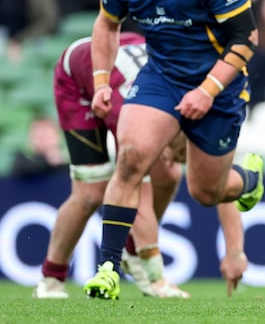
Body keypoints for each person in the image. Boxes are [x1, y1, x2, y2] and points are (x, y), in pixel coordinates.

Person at [83, 0, 263, 300]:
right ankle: (108, 268)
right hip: (161, 77)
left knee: (206, 193)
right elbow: (106, 24)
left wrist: (207, 90)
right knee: (129, 158)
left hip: (219, 87)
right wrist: (100, 82)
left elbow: (247, 37)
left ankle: (249, 179)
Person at [34, 34, 247, 299]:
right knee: (91, 193)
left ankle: (133, 250)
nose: (177, 160)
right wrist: (157, 277)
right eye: (178, 154)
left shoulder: (201, 106)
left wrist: (235, 250)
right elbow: (136, 190)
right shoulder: (139, 119)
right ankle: (51, 278)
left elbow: (219, 181)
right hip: (80, 75)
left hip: (137, 62)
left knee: (168, 174)